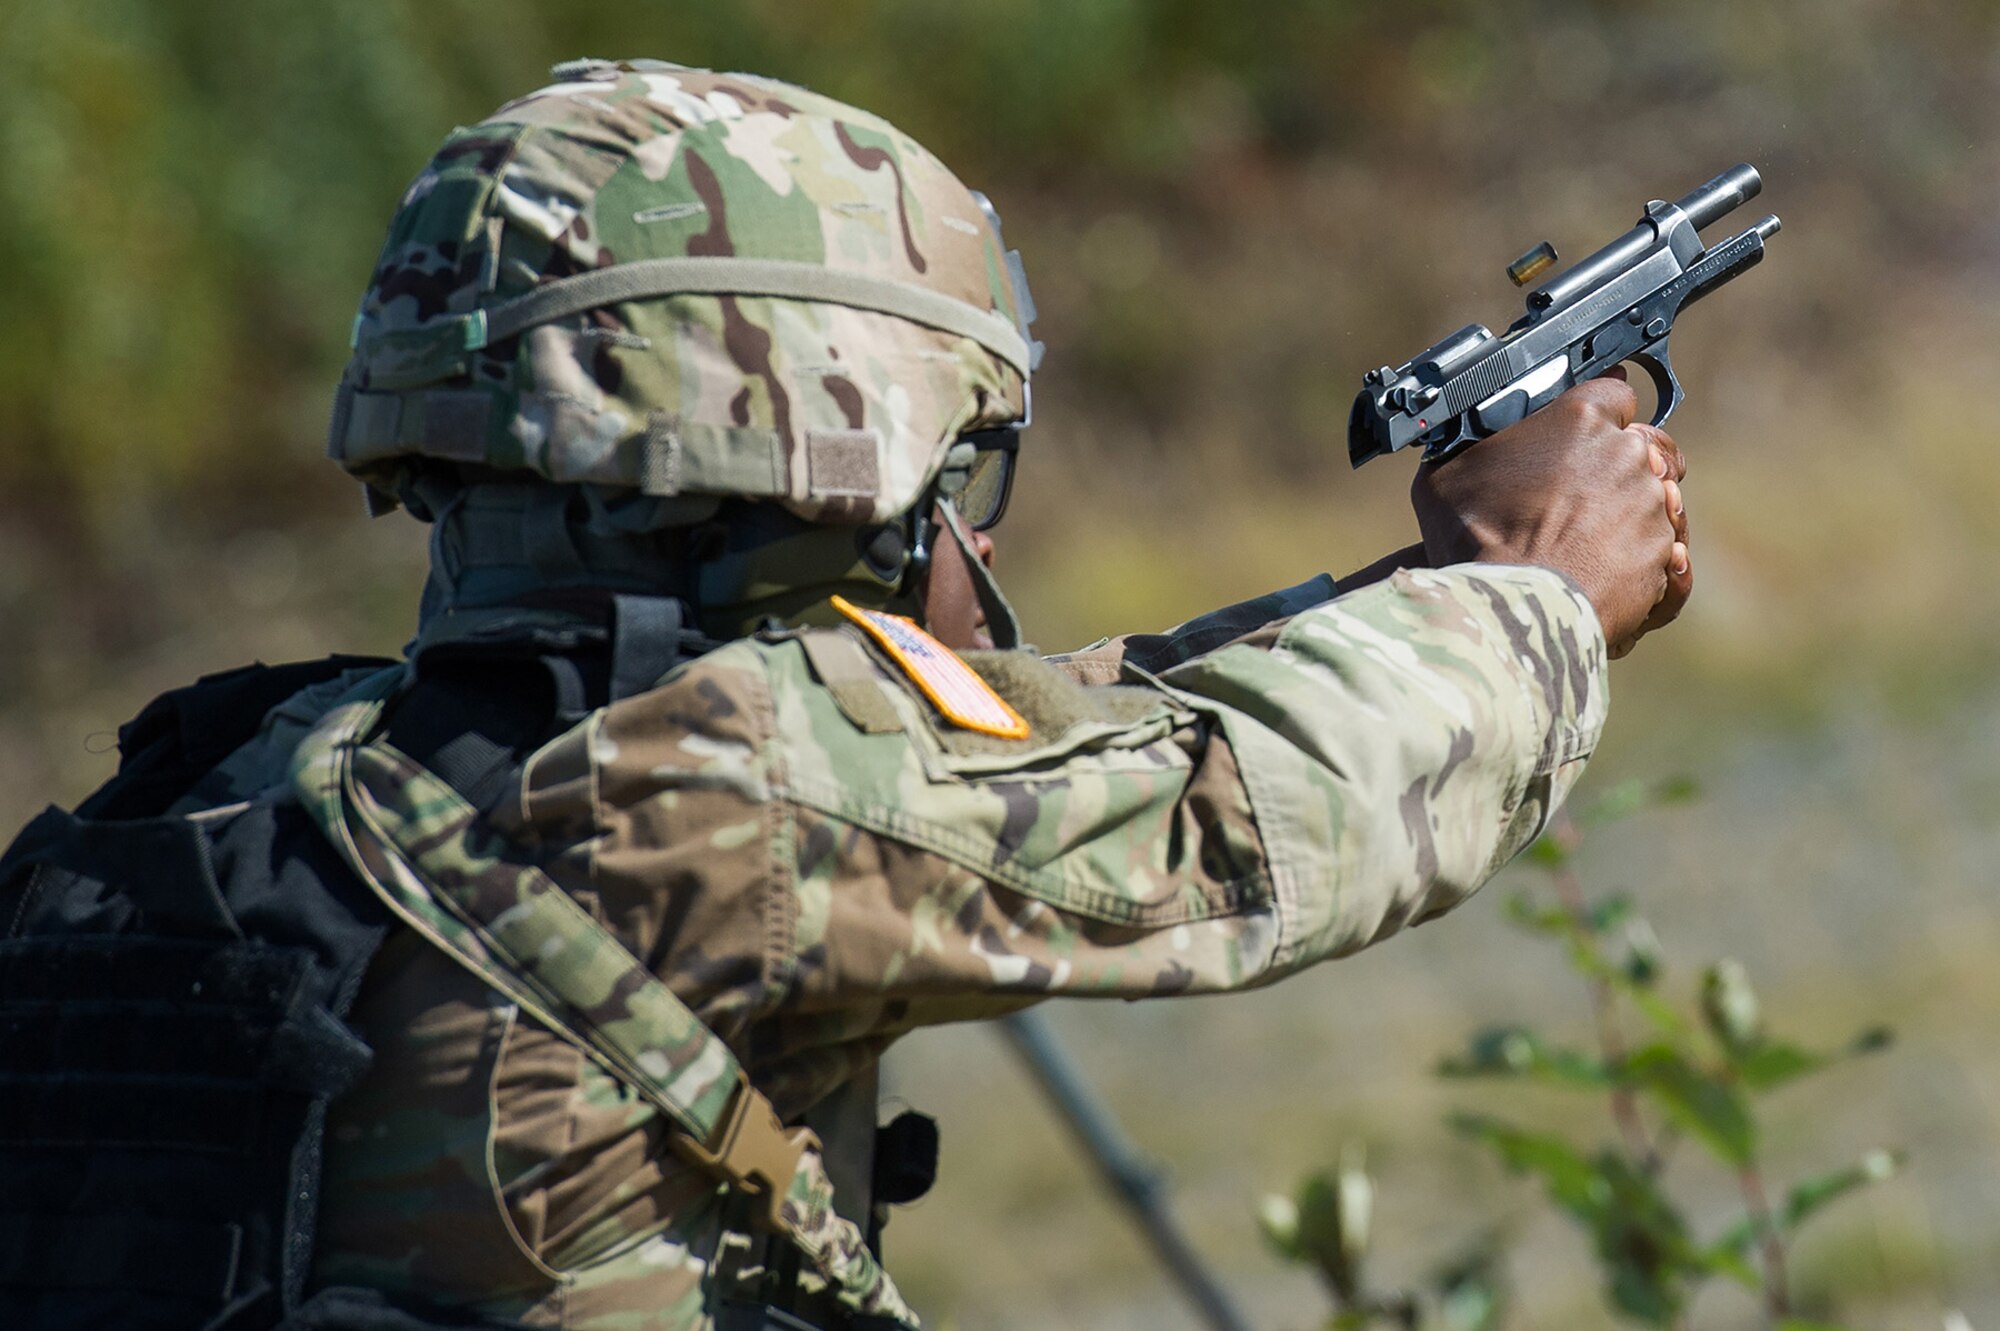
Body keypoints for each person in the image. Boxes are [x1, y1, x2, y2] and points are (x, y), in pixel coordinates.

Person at [0, 59, 1690, 1331]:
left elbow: (1035, 738)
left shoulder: (241, 773)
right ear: (827, 455)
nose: (963, 531)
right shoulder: (726, 795)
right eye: (956, 479)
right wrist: (1536, 587)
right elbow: (1247, 814)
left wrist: (1416, 594)